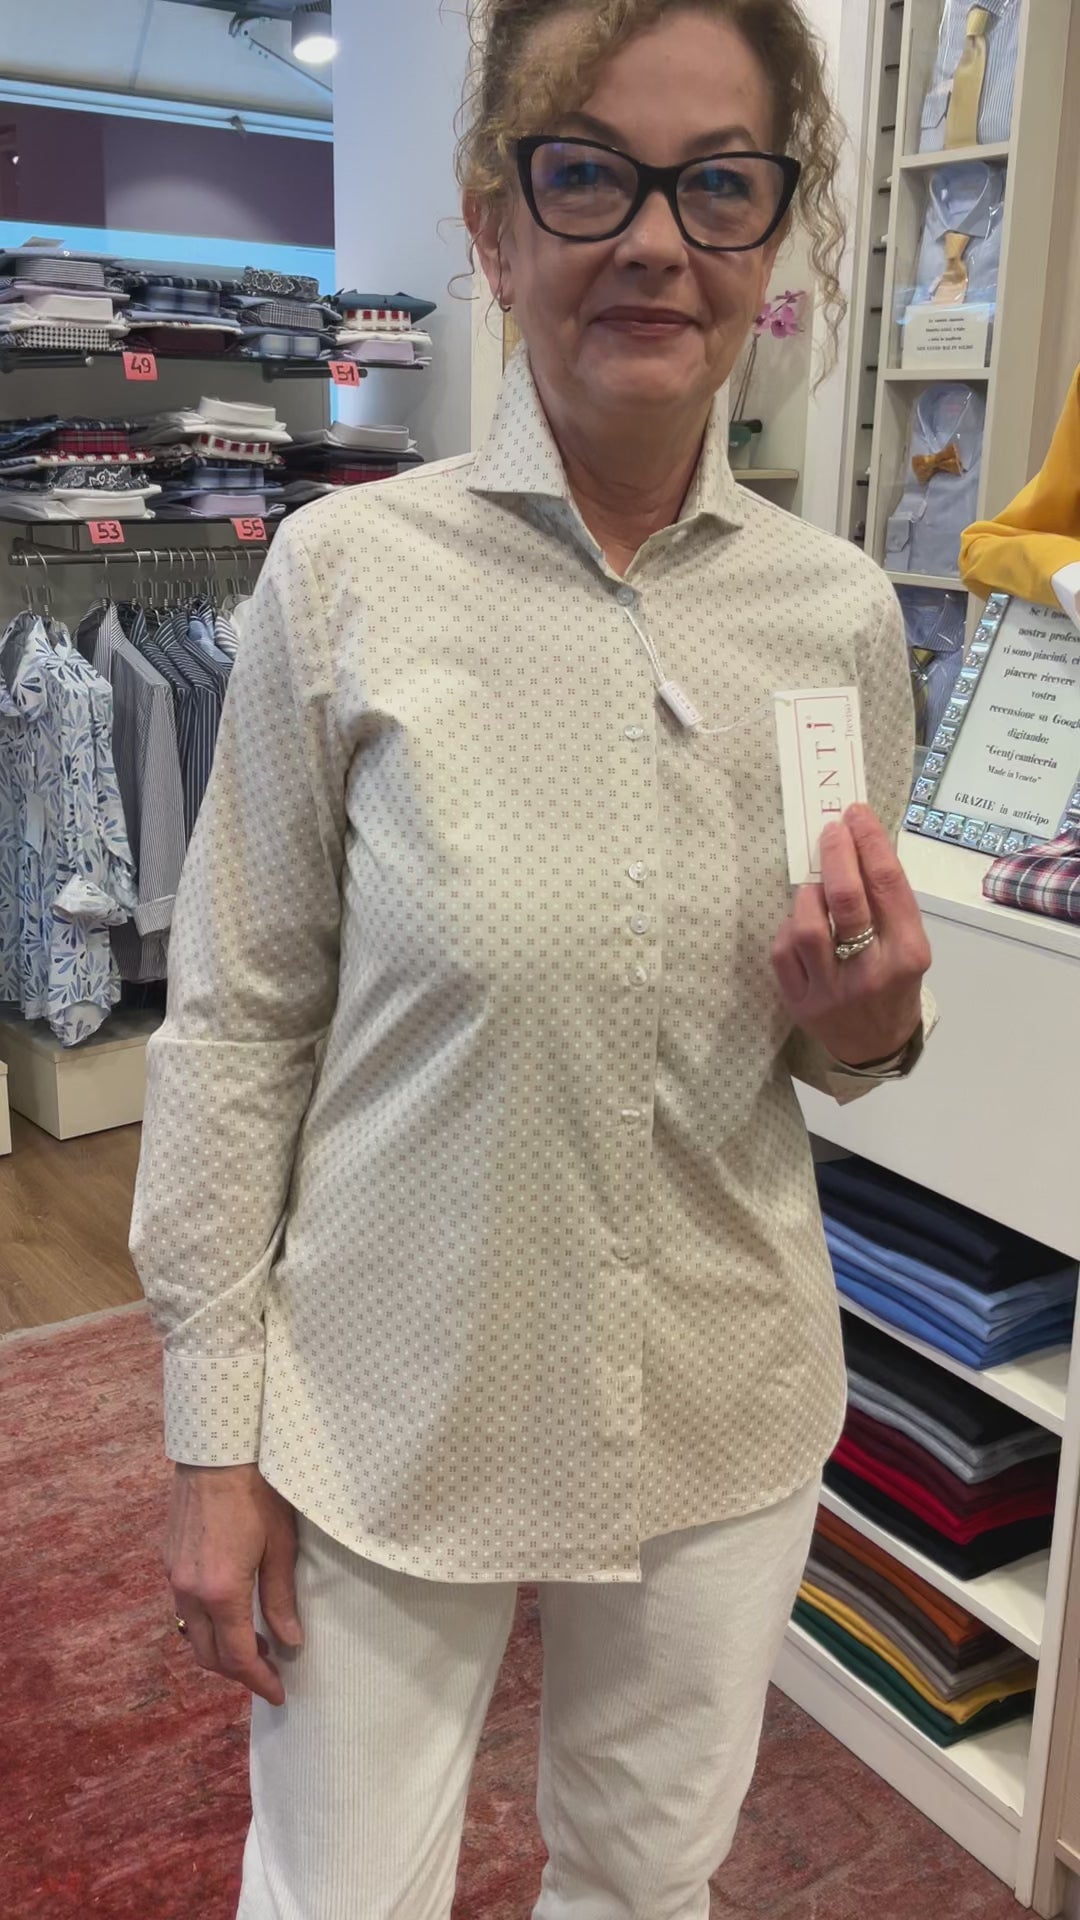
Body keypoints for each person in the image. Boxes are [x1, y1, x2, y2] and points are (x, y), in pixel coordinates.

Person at [131, 3, 934, 1915]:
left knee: (649, 1882)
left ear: (773, 234)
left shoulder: (835, 616)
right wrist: (210, 1438)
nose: (657, 241)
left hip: (717, 1379)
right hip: (389, 1385)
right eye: (589, 175)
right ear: (494, 228)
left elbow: (830, 1035)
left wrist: (875, 1028)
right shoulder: (348, 579)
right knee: (341, 1892)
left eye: (719, 185)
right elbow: (239, 1021)